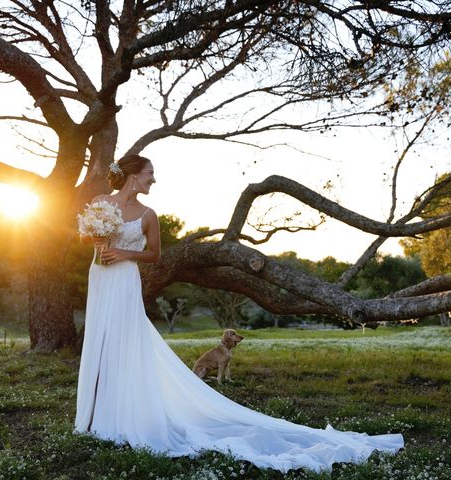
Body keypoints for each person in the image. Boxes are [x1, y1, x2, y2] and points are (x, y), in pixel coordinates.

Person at [75, 154, 403, 473]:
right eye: (150, 173)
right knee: (100, 341)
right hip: (101, 277)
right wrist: (97, 242)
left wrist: (121, 252)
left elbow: (155, 255)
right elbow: (86, 234)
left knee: (127, 342)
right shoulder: (104, 201)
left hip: (125, 280)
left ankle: (124, 414)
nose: (153, 179)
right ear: (134, 175)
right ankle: (95, 415)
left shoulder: (148, 214)